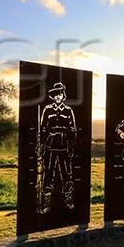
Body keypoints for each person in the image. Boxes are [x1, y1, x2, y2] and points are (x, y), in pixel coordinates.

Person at [37, 82, 77, 213]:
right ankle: (46, 203)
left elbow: (72, 129)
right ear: (53, 97)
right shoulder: (47, 110)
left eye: (60, 94)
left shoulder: (68, 110)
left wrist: (71, 145)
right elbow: (43, 129)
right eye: (55, 94)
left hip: (64, 146)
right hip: (50, 146)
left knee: (66, 174)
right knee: (48, 173)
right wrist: (41, 145)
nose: (58, 96)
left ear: (63, 95)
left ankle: (68, 200)